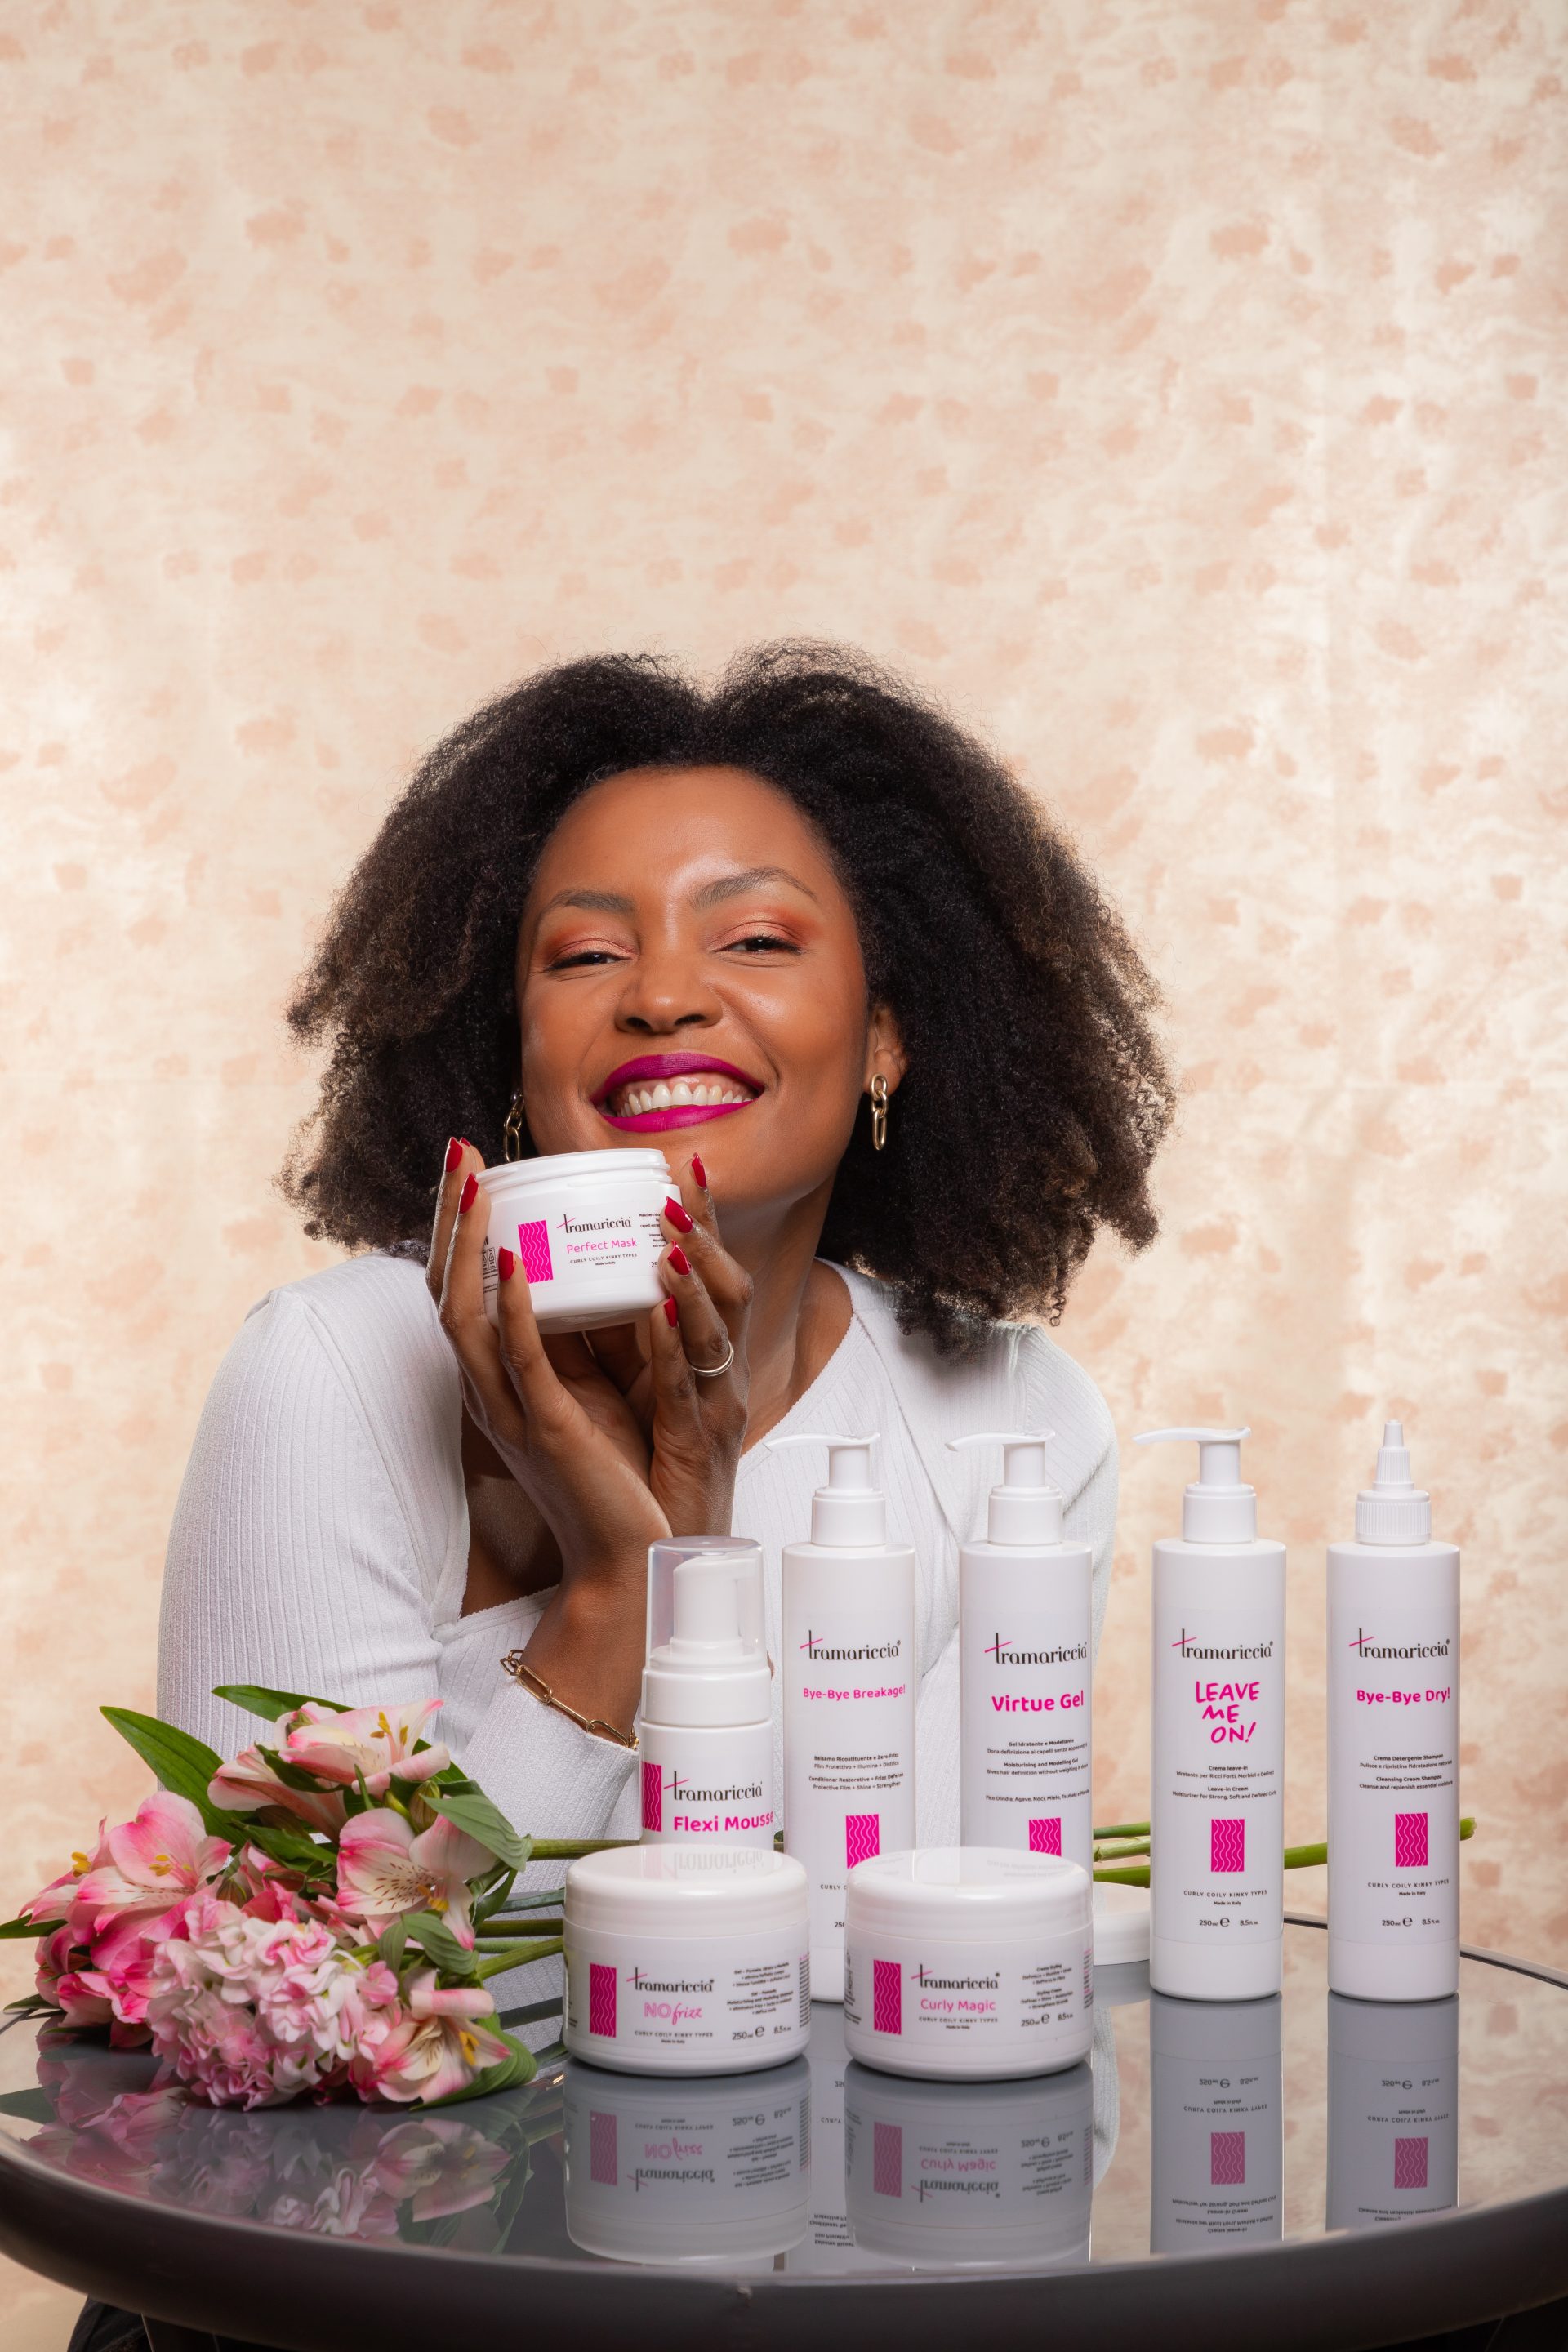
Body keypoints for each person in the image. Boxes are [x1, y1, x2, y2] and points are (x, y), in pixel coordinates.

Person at [158, 644, 1174, 1857]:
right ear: (518, 1058)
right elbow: (294, 1960)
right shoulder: (332, 1374)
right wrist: (625, 1586)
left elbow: (946, 1928)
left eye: (757, 939)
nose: (663, 996)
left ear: (886, 1040)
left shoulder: (1015, 1426)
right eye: (588, 955)